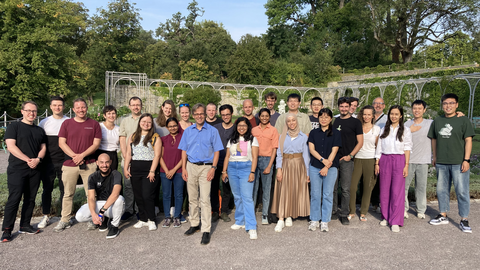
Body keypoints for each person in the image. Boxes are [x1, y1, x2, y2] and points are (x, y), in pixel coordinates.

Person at [428, 93, 474, 233]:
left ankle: (464, 218)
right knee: (441, 190)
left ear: (457, 105)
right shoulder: (437, 121)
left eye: (451, 103)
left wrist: (466, 159)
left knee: (461, 191)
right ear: (442, 105)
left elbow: (468, 140)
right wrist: (434, 156)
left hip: (458, 162)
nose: (448, 106)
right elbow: (434, 139)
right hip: (442, 161)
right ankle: (443, 214)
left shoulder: (463, 120)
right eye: (445, 103)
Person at [54, 98, 101, 232]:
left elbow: (96, 144)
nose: (81, 110)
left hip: (89, 164)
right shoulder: (66, 123)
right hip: (70, 164)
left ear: (87, 108)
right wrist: (75, 156)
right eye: (78, 108)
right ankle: (65, 219)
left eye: (83, 107)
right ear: (73, 110)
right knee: (68, 193)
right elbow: (61, 143)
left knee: (91, 193)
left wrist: (82, 156)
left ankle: (94, 218)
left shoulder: (94, 124)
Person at [1, 101, 47, 242]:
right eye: (28, 110)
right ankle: (7, 230)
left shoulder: (39, 130)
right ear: (22, 111)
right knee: (14, 198)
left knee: (30, 198)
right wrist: (28, 159)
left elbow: (43, 147)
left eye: (33, 111)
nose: (31, 113)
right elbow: (11, 146)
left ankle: (25, 225)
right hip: (17, 169)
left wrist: (38, 159)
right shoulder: (14, 127)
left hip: (35, 169)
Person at [179, 103, 223, 245]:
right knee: (192, 198)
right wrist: (184, 168)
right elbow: (184, 150)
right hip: (191, 166)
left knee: (205, 199)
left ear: (205, 115)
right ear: (193, 115)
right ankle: (194, 224)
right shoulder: (188, 131)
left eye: (201, 114)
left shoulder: (212, 131)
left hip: (206, 167)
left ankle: (205, 229)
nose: (199, 116)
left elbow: (217, 151)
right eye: (196, 114)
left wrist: (213, 168)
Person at [375, 105, 412, 233]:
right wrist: (377, 163)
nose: (394, 116)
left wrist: (406, 165)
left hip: (399, 160)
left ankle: (395, 220)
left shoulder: (406, 130)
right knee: (384, 190)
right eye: (392, 114)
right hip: (385, 159)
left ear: (401, 115)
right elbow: (379, 147)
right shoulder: (384, 129)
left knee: (397, 191)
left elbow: (407, 148)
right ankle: (385, 216)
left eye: (396, 114)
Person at [271, 113, 310, 232]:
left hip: (298, 165)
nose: (291, 123)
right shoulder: (282, 136)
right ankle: (281, 219)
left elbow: (306, 155)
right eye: (289, 121)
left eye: (293, 120)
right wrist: (279, 169)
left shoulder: (303, 137)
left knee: (293, 190)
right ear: (286, 123)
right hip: (285, 164)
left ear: (296, 121)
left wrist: (307, 172)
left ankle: (289, 215)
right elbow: (279, 154)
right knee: (284, 189)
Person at [222, 117, 259, 240]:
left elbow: (254, 157)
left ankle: (251, 226)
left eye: (244, 125)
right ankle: (240, 220)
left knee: (247, 197)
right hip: (232, 168)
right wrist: (224, 171)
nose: (241, 128)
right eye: (239, 125)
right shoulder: (232, 140)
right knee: (237, 196)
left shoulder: (252, 140)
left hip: (246, 168)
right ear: (236, 127)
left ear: (248, 127)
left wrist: (252, 172)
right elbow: (227, 156)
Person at [124, 113, 161, 231]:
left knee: (147, 195)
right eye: (144, 121)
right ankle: (143, 219)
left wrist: (152, 171)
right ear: (140, 122)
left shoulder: (155, 137)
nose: (146, 124)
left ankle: (151, 219)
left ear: (152, 124)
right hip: (135, 168)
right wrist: (126, 167)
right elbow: (129, 153)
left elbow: (157, 156)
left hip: (149, 168)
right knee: (138, 195)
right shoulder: (133, 136)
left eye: (149, 122)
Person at [75, 153, 125, 239]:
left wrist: (101, 212)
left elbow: (115, 194)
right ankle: (102, 220)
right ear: (97, 163)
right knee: (79, 216)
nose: (104, 165)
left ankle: (114, 226)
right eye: (101, 162)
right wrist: (94, 214)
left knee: (120, 199)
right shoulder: (92, 177)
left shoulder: (116, 174)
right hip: (100, 204)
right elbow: (91, 198)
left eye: (107, 162)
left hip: (113, 206)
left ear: (111, 162)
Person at [37, 96, 69, 229]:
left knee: (65, 190)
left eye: (60, 105)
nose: (57, 107)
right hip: (48, 162)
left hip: (65, 161)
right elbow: (39, 143)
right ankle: (46, 216)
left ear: (63, 107)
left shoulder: (69, 121)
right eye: (55, 105)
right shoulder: (44, 123)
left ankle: (64, 217)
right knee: (47, 189)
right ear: (50, 107)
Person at [308, 108, 341, 232]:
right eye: (321, 117)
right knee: (315, 194)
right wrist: (323, 161)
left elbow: (334, 150)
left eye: (326, 117)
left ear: (331, 119)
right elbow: (312, 149)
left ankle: (325, 220)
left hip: (331, 168)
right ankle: (315, 219)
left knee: (327, 194)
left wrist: (327, 166)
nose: (323, 119)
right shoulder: (313, 133)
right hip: (315, 166)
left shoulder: (336, 133)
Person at [332, 97, 363, 225]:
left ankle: (344, 213)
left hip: (347, 160)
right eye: (341, 107)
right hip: (333, 159)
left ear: (350, 107)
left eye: (346, 106)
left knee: (345, 188)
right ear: (338, 107)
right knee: (333, 188)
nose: (344, 109)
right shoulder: (334, 120)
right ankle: (333, 211)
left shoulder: (356, 123)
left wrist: (350, 155)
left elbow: (360, 142)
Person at [348, 105, 380, 221]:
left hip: (370, 159)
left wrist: (377, 162)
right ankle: (351, 211)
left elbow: (378, 147)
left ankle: (363, 212)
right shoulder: (357, 126)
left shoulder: (376, 129)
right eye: (364, 114)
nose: (366, 116)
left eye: (369, 114)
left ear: (373, 116)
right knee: (352, 186)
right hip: (357, 159)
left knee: (368, 187)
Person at [403, 100, 432, 219]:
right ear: (412, 109)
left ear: (424, 110)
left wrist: (458, 114)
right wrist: (410, 131)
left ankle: (421, 209)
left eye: (420, 108)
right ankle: (403, 208)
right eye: (415, 108)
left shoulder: (430, 123)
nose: (417, 110)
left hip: (423, 160)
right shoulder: (407, 124)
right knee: (404, 186)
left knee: (421, 186)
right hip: (408, 160)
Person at [252, 108, 279, 225]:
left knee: (266, 189)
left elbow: (274, 149)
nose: (264, 118)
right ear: (259, 117)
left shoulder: (273, 130)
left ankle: (265, 214)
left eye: (266, 116)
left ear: (269, 117)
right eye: (262, 116)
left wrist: (270, 165)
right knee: (253, 188)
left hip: (267, 160)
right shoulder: (253, 130)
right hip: (255, 160)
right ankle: (251, 212)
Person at [119, 96, 142, 220]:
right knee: (128, 185)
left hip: (141, 158)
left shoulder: (145, 119)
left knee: (139, 185)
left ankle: (139, 209)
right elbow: (122, 138)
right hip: (127, 157)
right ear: (129, 106)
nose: (135, 107)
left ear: (141, 106)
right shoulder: (124, 121)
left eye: (137, 104)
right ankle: (129, 209)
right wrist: (125, 154)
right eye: (133, 105)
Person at [212, 104, 236, 222]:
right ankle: (215, 211)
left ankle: (225, 211)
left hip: (230, 163)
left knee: (226, 188)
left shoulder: (236, 128)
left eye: (227, 114)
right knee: (214, 187)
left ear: (232, 114)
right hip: (215, 162)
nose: (225, 117)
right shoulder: (215, 128)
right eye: (223, 115)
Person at [159, 117, 184, 228]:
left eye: (174, 125)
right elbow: (159, 156)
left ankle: (177, 216)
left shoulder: (183, 138)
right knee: (166, 195)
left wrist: (173, 170)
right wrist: (167, 170)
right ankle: (167, 217)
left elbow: (184, 157)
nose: (173, 128)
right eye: (170, 126)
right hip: (165, 171)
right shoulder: (163, 139)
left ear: (178, 126)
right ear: (167, 127)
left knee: (178, 194)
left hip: (179, 171)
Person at [370, 96, 387, 213]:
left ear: (384, 106)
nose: (378, 105)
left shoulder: (387, 118)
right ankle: (371, 202)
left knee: (381, 178)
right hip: (369, 151)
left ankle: (380, 202)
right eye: (375, 103)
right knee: (368, 178)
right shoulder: (368, 116)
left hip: (382, 152)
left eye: (380, 103)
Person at [96, 105, 120, 171]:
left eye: (113, 113)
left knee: (112, 177)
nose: (111, 116)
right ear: (104, 115)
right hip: (101, 153)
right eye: (109, 113)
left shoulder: (118, 129)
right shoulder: (100, 127)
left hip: (113, 155)